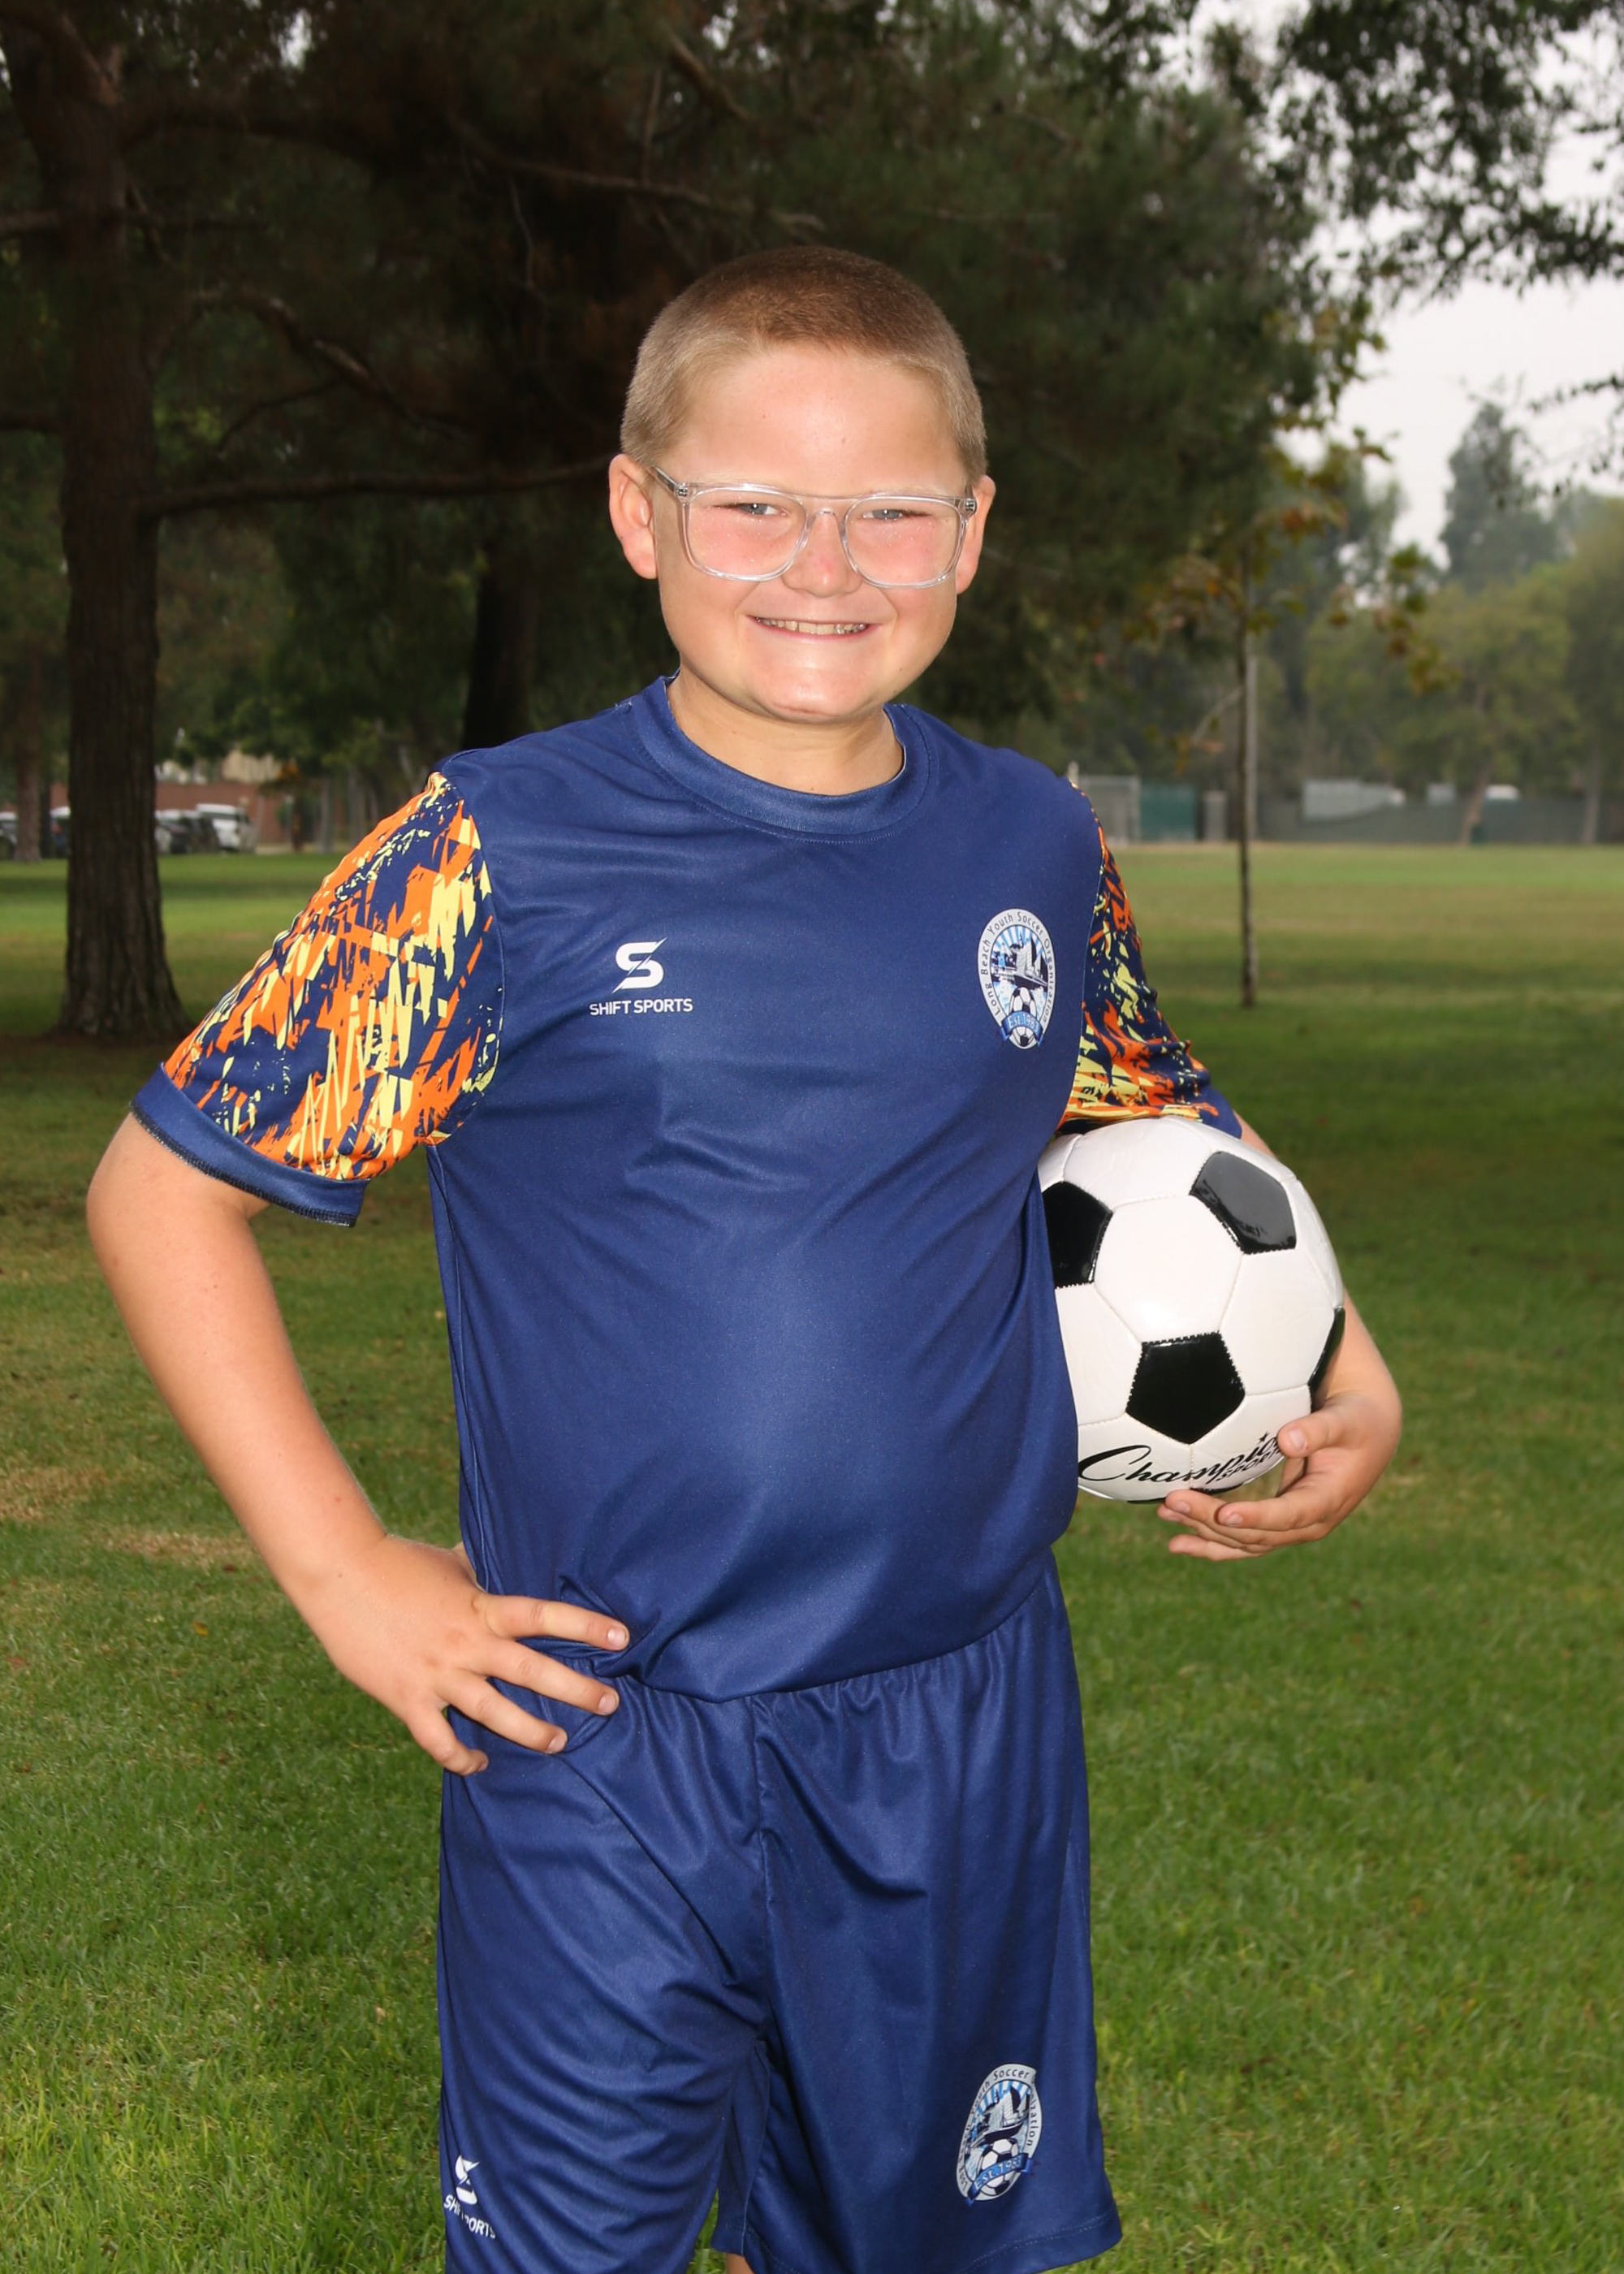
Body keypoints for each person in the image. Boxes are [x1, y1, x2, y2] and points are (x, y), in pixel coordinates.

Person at [88, 247, 1402, 2274]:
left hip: (956, 1718)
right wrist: (348, 1575)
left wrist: (1339, 1361)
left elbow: (1150, 1112)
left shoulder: (1030, 843)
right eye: (753, 504)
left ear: (972, 530)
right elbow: (161, 1189)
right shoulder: (492, 852)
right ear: (639, 512)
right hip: (605, 1735)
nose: (823, 565)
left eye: (891, 509)